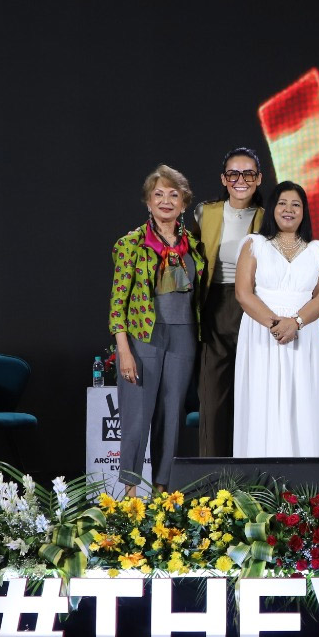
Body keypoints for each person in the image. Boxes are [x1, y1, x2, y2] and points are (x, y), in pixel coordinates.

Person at [109, 165, 206, 493]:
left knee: (172, 418)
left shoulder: (194, 246)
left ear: (184, 203)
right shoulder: (131, 244)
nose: (166, 201)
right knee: (137, 419)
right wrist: (124, 350)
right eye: (159, 194)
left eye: (173, 195)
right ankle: (130, 497)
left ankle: (162, 494)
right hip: (143, 339)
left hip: (184, 338)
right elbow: (117, 303)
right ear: (148, 202)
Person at [232, 182, 319, 457]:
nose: (289, 210)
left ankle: (304, 478)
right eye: (282, 203)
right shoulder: (254, 244)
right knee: (262, 399)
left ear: (304, 211)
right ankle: (258, 476)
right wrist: (277, 326)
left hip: (304, 333)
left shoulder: (317, 250)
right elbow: (243, 293)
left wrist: (296, 322)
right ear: (272, 209)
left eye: (296, 204)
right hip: (262, 333)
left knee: (302, 401)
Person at [191, 147, 264, 457]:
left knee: (255, 395)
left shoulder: (267, 216)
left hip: (256, 307)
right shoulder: (205, 213)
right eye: (233, 173)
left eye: (248, 174)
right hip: (216, 305)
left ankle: (254, 474)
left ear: (258, 179)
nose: (240, 180)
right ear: (224, 179)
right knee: (213, 397)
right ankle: (212, 474)